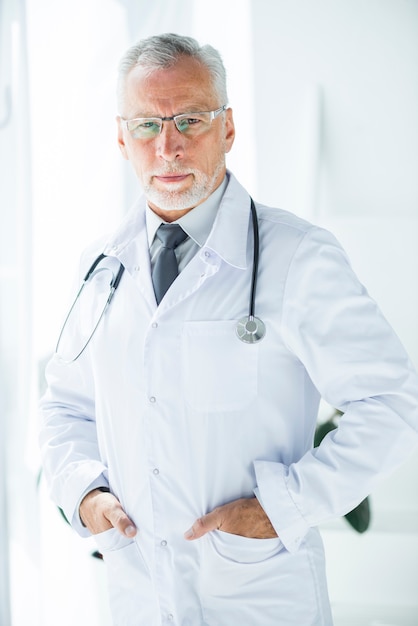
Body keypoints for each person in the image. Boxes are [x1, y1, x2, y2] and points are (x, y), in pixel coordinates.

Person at [39, 33, 418, 626]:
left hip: (260, 595)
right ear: (121, 138)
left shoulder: (299, 258)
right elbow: (64, 407)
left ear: (229, 128)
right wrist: (84, 495)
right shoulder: (102, 267)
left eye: (189, 119)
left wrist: (285, 505)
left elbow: (394, 403)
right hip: (138, 595)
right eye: (146, 126)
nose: (168, 146)